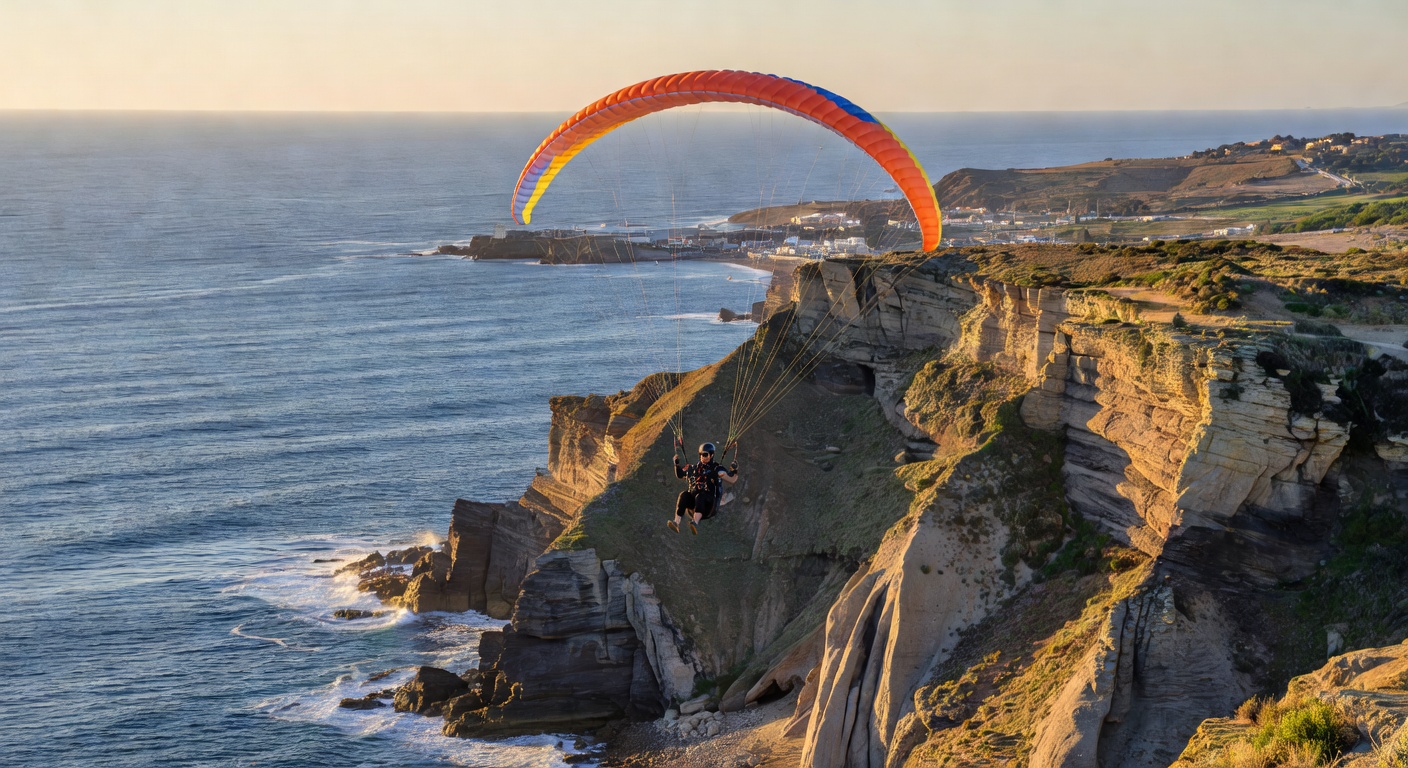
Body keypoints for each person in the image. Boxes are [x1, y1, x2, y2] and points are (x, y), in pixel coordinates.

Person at [668, 440, 738, 535]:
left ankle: (695, 523)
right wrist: (676, 465)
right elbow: (680, 475)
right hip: (693, 506)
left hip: (709, 507)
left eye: (705, 455)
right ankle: (676, 522)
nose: (702, 457)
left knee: (701, 496)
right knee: (684, 495)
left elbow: (732, 479)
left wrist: (735, 470)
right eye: (701, 454)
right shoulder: (694, 468)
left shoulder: (717, 469)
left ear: (711, 455)